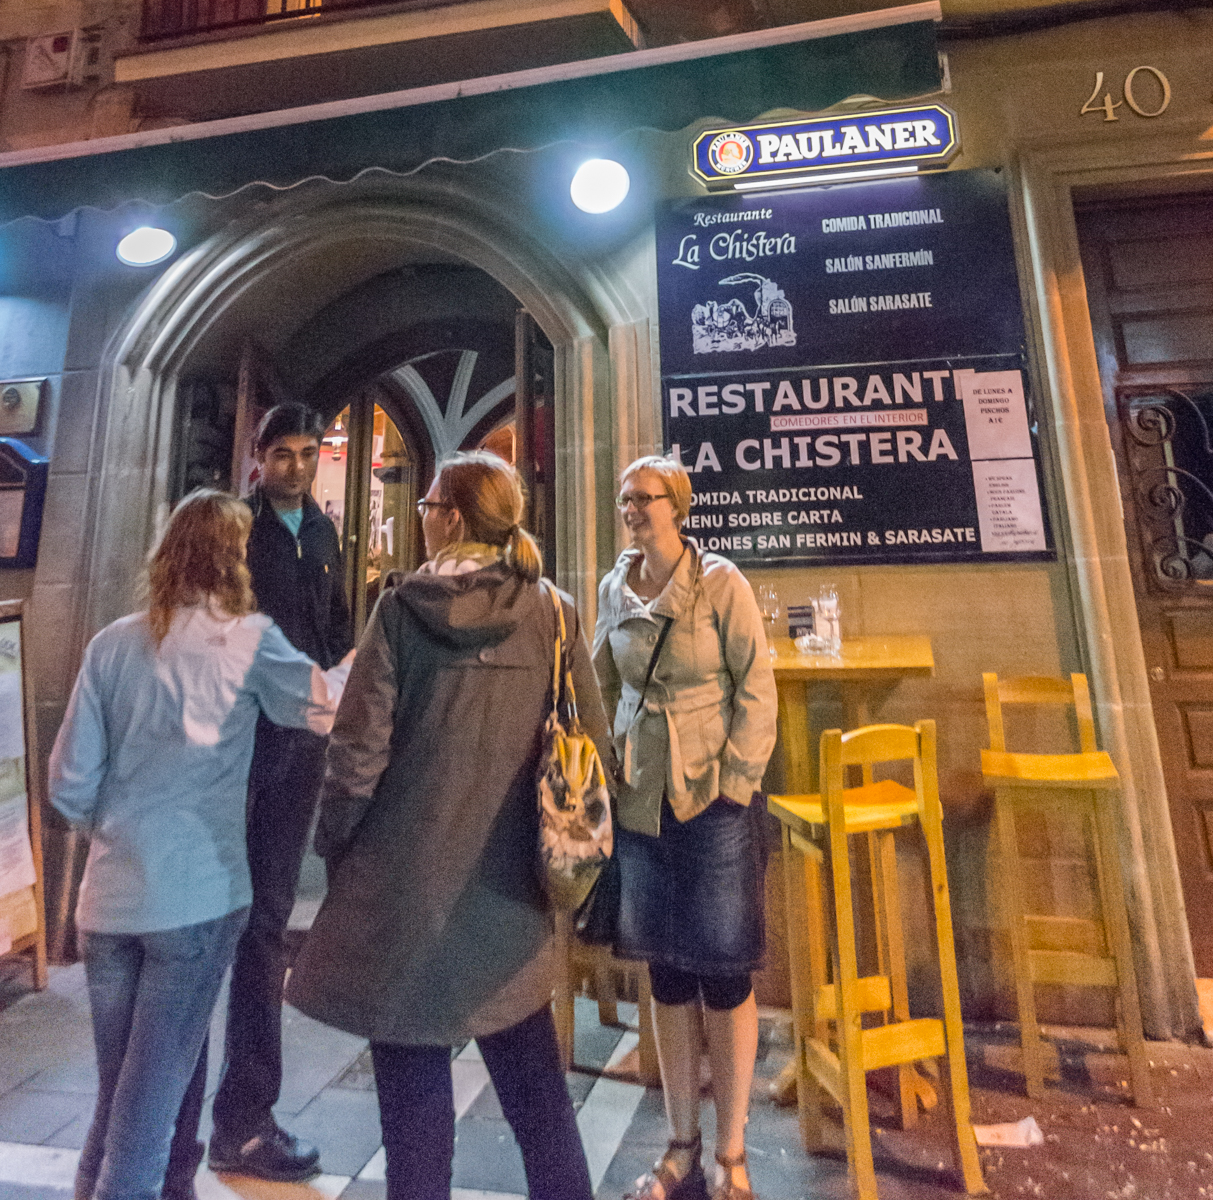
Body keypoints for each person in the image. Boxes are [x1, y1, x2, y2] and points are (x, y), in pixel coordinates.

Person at [287, 450, 608, 1200]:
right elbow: (596, 741)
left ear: (454, 517)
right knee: (536, 1096)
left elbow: (356, 753)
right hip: (511, 895)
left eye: (429, 504)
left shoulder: (401, 610)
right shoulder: (552, 611)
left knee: (412, 1107)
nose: (423, 516)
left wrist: (336, 844)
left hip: (405, 892)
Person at [47, 489, 351, 1200]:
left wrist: (118, 831)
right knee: (145, 1124)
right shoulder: (244, 639)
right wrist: (368, 652)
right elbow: (317, 704)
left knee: (117, 1104)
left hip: (108, 902)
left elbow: (67, 784)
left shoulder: (112, 643)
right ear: (231, 558)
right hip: (195, 897)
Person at [592, 455, 777, 1200]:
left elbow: (755, 688)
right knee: (665, 971)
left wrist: (733, 782)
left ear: (680, 507)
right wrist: (611, 757)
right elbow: (604, 677)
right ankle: (679, 1149)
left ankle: (731, 1156)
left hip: (713, 794)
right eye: (624, 498)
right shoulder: (614, 585)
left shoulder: (721, 584)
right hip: (643, 796)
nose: (631, 509)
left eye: (645, 498)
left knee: (724, 972)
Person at [196, 403, 354, 1183]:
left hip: (301, 746)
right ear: (256, 458)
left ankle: (245, 1114)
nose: (296, 466)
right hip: (236, 742)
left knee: (264, 926)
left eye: (307, 452)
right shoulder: (235, 533)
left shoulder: (322, 533)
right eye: (281, 453)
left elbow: (336, 632)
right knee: (204, 924)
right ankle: (180, 1114)